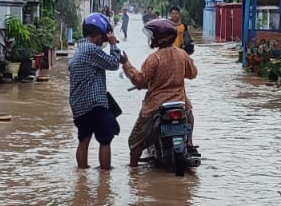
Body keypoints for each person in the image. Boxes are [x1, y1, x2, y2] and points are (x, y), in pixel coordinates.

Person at [121, 17, 198, 167]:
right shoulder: (182, 55)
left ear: (158, 38)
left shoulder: (153, 59)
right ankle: (189, 141)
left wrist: (126, 64)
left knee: (134, 142)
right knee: (189, 112)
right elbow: (193, 73)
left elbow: (140, 81)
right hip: (180, 101)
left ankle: (133, 171)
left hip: (155, 105)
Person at [68, 12, 123, 169]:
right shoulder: (91, 50)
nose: (102, 43)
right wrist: (113, 44)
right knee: (105, 140)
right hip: (95, 105)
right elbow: (113, 64)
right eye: (103, 39)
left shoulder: (79, 50)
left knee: (84, 140)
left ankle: (82, 177)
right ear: (98, 36)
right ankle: (105, 178)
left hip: (79, 106)